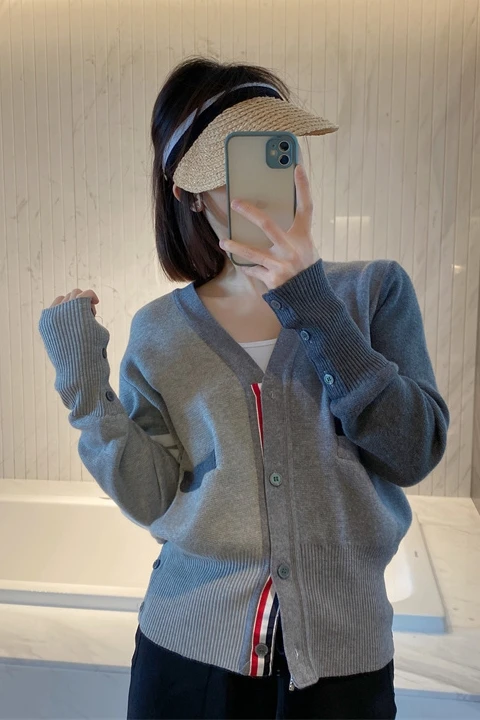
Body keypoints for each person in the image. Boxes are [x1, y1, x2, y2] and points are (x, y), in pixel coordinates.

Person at [39, 57, 450, 719]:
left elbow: (415, 451)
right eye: (230, 167)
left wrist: (310, 300)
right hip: (185, 659)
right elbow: (151, 496)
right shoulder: (160, 331)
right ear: (190, 194)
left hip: (345, 663)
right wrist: (84, 388)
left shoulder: (373, 292)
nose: (261, 186)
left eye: (274, 152)